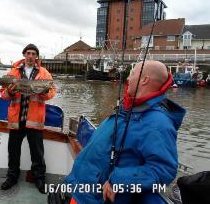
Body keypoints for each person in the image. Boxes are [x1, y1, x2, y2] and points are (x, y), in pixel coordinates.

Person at [64, 61, 186, 204]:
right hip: (82, 190)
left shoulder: (158, 123)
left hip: (97, 198)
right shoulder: (128, 107)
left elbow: (164, 169)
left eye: (132, 73)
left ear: (144, 79)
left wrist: (119, 180)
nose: (128, 78)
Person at [0, 44, 56, 193]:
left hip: (34, 119)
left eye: (33, 54)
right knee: (13, 151)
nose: (30, 56)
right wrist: (10, 93)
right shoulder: (13, 72)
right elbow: (3, 94)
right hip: (16, 119)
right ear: (24, 55)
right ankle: (12, 177)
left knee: (37, 152)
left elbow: (52, 92)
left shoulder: (44, 73)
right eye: (28, 53)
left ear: (36, 56)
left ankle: (39, 179)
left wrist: (44, 92)